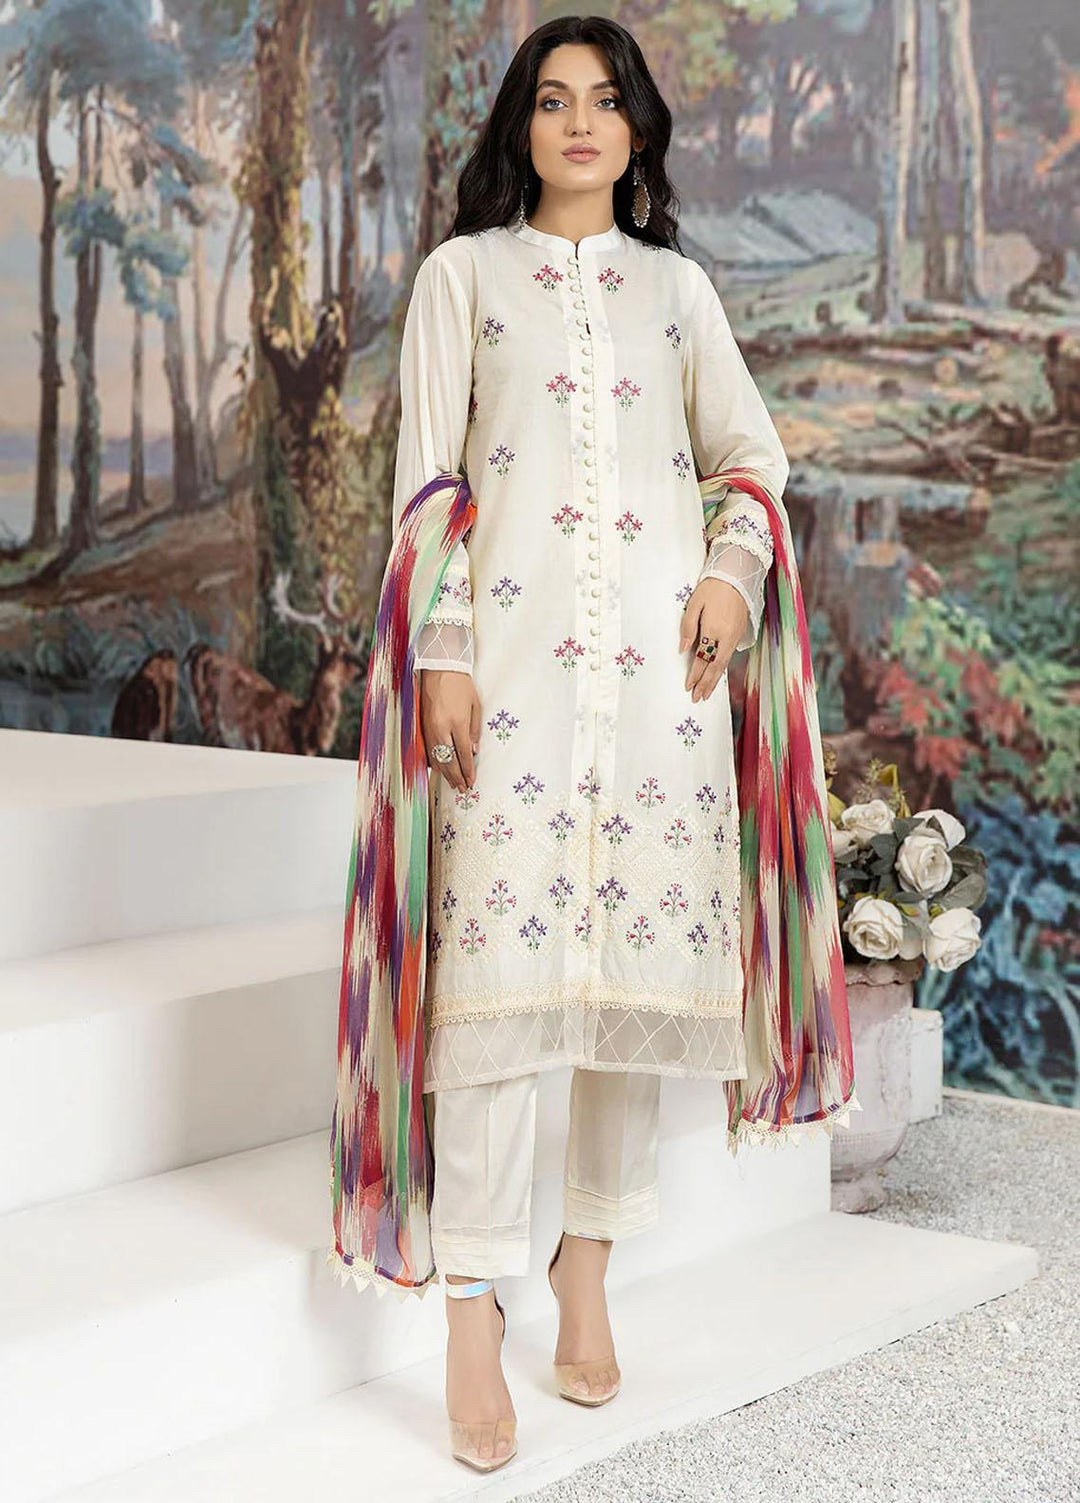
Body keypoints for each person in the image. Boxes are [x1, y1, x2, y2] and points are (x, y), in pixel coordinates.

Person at [327, 13, 858, 1475]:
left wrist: (731, 576)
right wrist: (443, 653)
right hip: (505, 688)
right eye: (553, 99)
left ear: (637, 131)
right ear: (522, 125)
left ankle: (588, 1265)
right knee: (493, 1007)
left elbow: (751, 460)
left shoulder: (678, 291)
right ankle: (473, 1309)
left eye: (605, 100)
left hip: (662, 693)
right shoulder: (464, 277)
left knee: (628, 996)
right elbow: (429, 486)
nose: (579, 122)